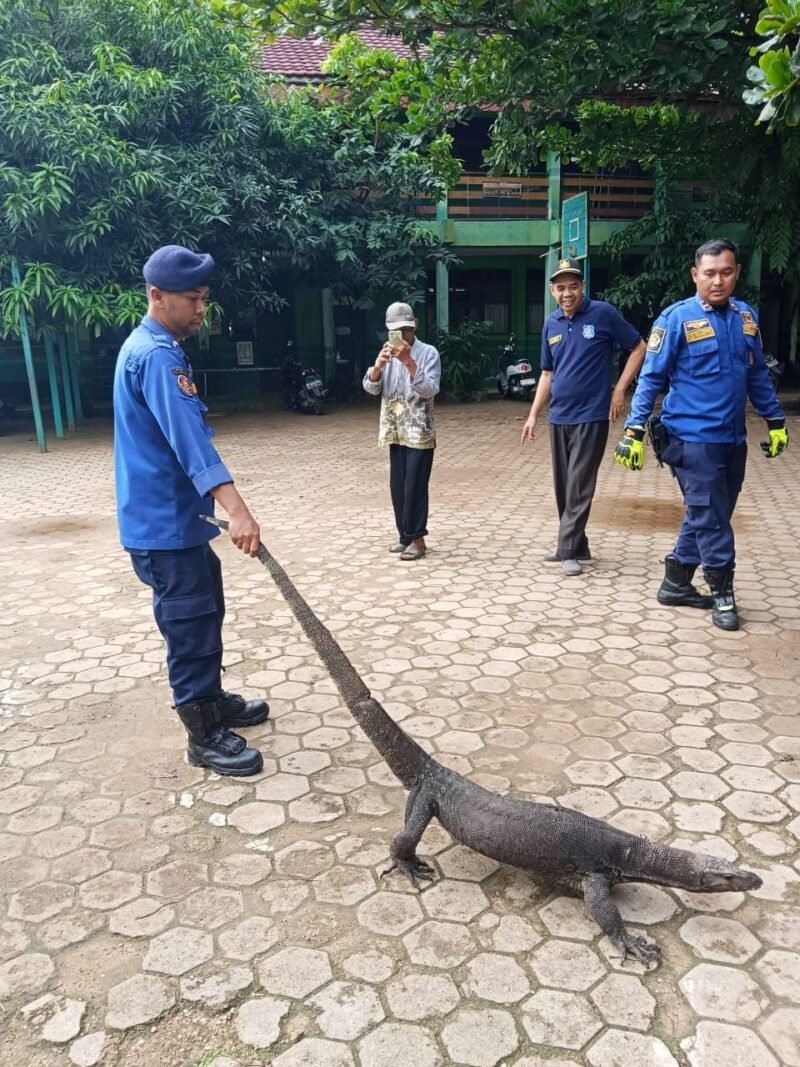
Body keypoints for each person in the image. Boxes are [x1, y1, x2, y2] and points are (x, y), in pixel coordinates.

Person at [113, 245, 267, 776]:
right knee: (189, 622)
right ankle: (202, 734)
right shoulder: (155, 355)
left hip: (180, 523)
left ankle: (211, 698)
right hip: (164, 528)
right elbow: (191, 444)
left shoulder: (156, 347)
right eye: (192, 299)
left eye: (205, 298)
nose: (202, 309)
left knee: (206, 608)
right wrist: (239, 511)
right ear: (157, 297)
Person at [614, 238, 788, 631]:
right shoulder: (675, 319)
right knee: (712, 519)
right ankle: (722, 592)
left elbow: (757, 373)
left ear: (737, 272)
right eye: (709, 273)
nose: (718, 280)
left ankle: (675, 583)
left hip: (733, 438)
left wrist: (775, 420)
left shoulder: (746, 317)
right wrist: (633, 430)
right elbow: (651, 378)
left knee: (712, 511)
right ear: (695, 275)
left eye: (726, 272)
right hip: (691, 440)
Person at [521, 258, 647, 575]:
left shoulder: (602, 314)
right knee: (564, 485)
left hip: (592, 414)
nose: (567, 293)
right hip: (559, 415)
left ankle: (566, 549)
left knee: (580, 483)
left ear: (582, 287)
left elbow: (639, 346)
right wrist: (533, 415)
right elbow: (547, 373)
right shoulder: (551, 324)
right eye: (561, 288)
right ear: (552, 291)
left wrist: (619, 390)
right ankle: (578, 544)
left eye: (573, 286)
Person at [363, 301, 441, 561]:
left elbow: (429, 389)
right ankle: (404, 536)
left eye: (405, 330)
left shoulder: (428, 353)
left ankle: (417, 539)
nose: (401, 336)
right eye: (395, 331)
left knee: (415, 486)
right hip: (395, 431)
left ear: (414, 325)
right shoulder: (386, 354)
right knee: (398, 486)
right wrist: (378, 367)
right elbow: (371, 388)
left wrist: (409, 363)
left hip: (419, 431)